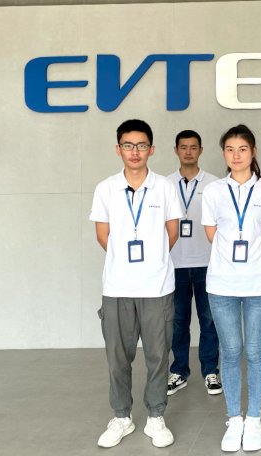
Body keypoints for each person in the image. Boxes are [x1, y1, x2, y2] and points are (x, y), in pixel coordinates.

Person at [90, 119, 183, 449]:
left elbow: (172, 232)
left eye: (141, 145)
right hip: (117, 287)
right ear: (118, 149)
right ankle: (122, 416)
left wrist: (151, 261)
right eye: (128, 145)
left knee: (158, 356)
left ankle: (156, 416)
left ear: (151, 150)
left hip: (157, 287)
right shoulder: (105, 189)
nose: (135, 151)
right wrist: (126, 263)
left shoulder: (165, 187)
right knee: (118, 358)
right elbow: (103, 235)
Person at [201, 124, 261, 452]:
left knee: (255, 351)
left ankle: (254, 420)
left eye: (243, 149)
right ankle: (234, 418)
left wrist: (250, 261)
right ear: (224, 153)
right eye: (230, 149)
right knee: (231, 351)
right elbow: (212, 234)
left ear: (253, 152)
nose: (236, 156)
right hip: (221, 283)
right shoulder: (213, 191)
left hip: (259, 283)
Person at [166, 130, 222, 397]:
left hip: (208, 263)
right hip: (174, 263)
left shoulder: (214, 184)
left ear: (201, 150)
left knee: (209, 321)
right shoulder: (164, 184)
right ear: (175, 150)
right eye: (183, 147)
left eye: (193, 147)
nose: (188, 152)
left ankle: (210, 371)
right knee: (178, 322)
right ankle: (179, 371)